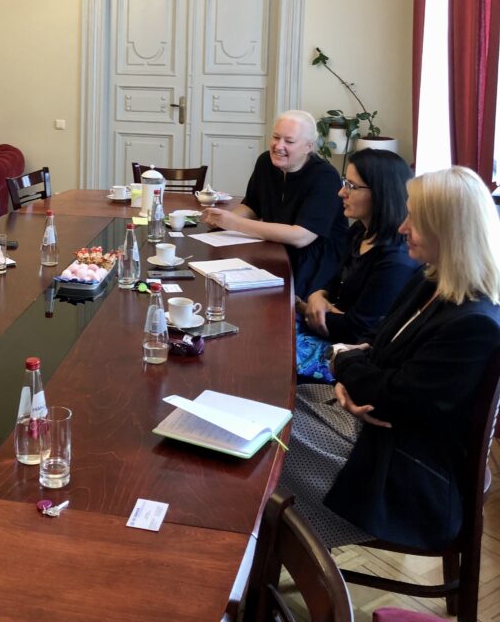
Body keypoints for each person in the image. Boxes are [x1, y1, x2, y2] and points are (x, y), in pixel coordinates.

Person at [281, 166, 500, 550]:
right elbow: (373, 339)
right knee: (270, 411)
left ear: (449, 231)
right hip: (371, 426)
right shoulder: (431, 278)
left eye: (415, 218)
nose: (402, 227)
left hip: (404, 469)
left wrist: (343, 364)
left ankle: (274, 557)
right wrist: (354, 370)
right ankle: (266, 556)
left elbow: (391, 394)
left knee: (268, 442)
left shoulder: (475, 324)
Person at [294, 149, 419, 381]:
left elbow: (354, 330)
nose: (342, 192)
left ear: (381, 193)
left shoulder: (395, 260)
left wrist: (303, 307)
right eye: (345, 183)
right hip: (326, 329)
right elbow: (333, 281)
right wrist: (318, 296)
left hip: (346, 355)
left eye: (352, 186)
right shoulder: (360, 230)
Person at [202, 110, 348, 299]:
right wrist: (222, 220)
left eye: (289, 141)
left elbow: (301, 236)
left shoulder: (325, 177)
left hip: (313, 263)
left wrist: (235, 223)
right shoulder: (265, 162)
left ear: (308, 147)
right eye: (276, 137)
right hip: (273, 250)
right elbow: (253, 206)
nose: (278, 146)